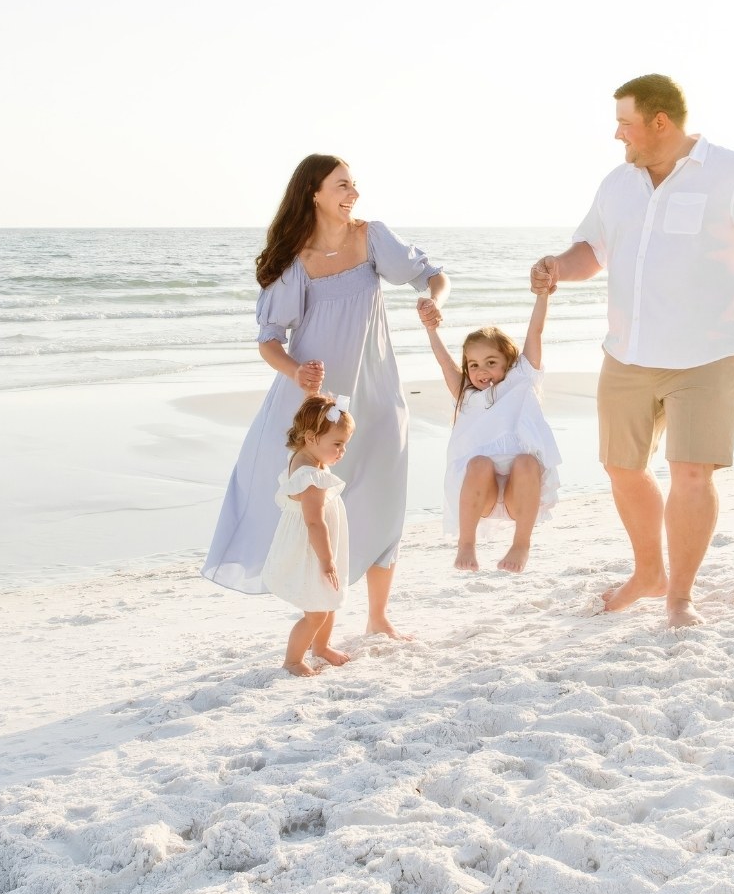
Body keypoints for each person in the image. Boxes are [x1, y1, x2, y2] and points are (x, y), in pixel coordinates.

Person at [530, 74, 734, 629]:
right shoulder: (617, 184)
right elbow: (592, 251)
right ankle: (648, 573)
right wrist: (559, 266)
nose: (616, 134)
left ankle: (680, 595)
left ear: (660, 122)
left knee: (691, 474)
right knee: (622, 469)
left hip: (707, 354)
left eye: (624, 122)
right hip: (627, 352)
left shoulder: (733, 173)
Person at [203, 154, 449, 638]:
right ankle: (316, 613)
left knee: (383, 496)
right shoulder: (295, 262)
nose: (352, 193)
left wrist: (432, 302)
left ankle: (379, 619)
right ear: (314, 193)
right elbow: (269, 340)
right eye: (342, 185)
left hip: (377, 392)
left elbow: (432, 275)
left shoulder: (372, 237)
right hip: (316, 402)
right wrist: (297, 372)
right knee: (302, 504)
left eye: (354, 184)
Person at [423, 291, 562, 574]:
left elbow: (536, 330)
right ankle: (466, 543)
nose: (481, 370)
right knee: (479, 463)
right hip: (479, 494)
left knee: (526, 461)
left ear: (509, 361)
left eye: (490, 362)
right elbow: (444, 362)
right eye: (473, 365)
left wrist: (542, 296)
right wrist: (431, 329)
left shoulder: (523, 378)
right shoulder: (466, 394)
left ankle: (521, 543)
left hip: (521, 493)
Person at [262, 393, 354, 676]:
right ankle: (292, 660)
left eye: (344, 445)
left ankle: (322, 647)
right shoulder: (310, 477)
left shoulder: (303, 456)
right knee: (316, 611)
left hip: (315, 544)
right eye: (337, 444)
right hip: (312, 549)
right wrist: (326, 560)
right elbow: (314, 523)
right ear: (312, 438)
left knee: (328, 597)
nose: (342, 451)